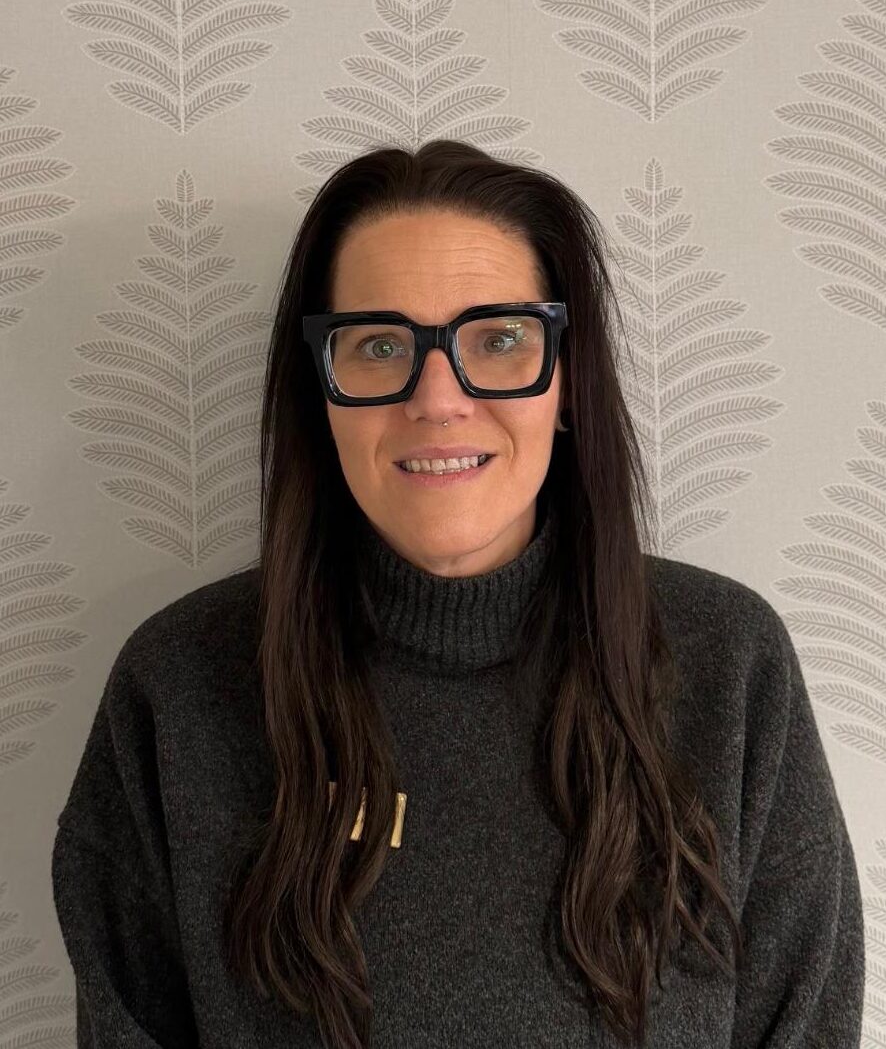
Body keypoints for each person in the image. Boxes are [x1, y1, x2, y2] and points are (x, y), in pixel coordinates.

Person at [51, 140, 865, 1049]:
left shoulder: (729, 663)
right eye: (380, 345)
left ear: (565, 379)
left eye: (500, 338)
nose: (438, 398)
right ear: (320, 388)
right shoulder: (177, 690)